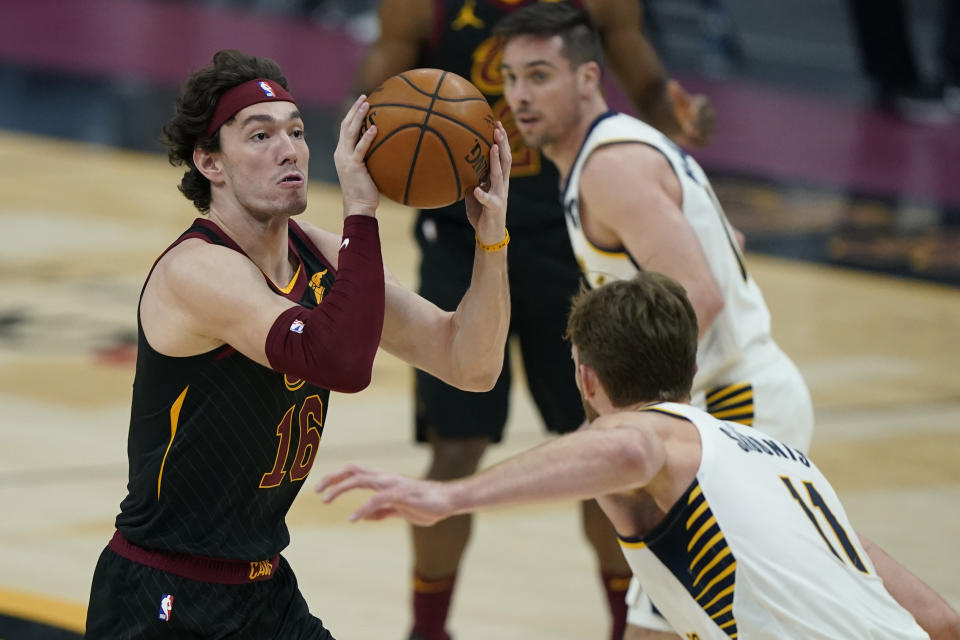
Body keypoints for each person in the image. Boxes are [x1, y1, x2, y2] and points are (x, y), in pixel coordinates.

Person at [83, 49, 513, 639]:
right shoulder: (198, 270)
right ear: (209, 161)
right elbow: (336, 359)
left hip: (264, 591)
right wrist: (361, 210)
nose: (289, 149)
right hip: (164, 596)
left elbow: (471, 365)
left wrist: (493, 239)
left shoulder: (319, 254)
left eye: (297, 131)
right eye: (260, 135)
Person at [318, 271, 960, 640]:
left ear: (587, 381)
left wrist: (451, 495)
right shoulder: (788, 464)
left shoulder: (658, 442)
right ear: (689, 365)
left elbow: (625, 446)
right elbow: (937, 619)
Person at [350, 2, 715, 638]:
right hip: (459, 237)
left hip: (568, 237)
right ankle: (427, 631)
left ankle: (622, 625)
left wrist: (678, 121)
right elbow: (369, 104)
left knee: (603, 446)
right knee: (455, 446)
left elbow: (647, 82)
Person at [491, 3, 815, 638]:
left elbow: (700, 292)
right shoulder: (601, 155)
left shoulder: (610, 168)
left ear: (588, 77)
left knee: (677, 623)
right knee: (689, 621)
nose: (519, 96)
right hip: (728, 403)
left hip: (733, 402)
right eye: (509, 78)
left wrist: (628, 413)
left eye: (539, 75)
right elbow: (726, 248)